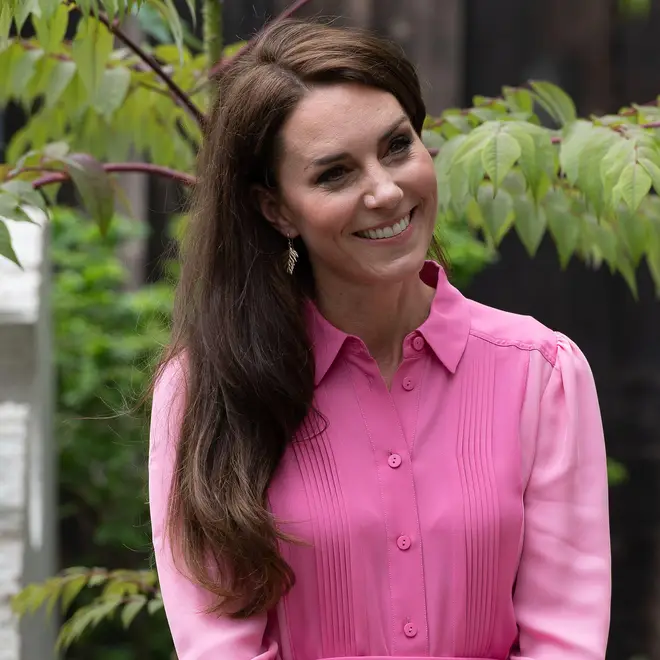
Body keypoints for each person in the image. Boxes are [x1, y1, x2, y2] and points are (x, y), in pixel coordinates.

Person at [148, 17, 611, 660]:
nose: (386, 191)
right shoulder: (206, 390)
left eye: (397, 146)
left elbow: (566, 640)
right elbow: (217, 644)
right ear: (275, 208)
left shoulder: (543, 374)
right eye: (335, 174)